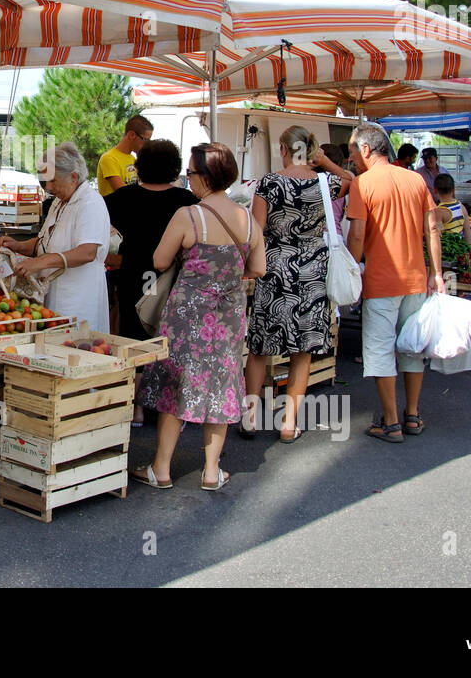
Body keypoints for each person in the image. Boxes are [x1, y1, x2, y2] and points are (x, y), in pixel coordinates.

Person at [131, 143, 267, 491]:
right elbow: (259, 269)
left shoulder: (188, 216)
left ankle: (161, 469)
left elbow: (160, 262)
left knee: (178, 386)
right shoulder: (248, 220)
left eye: (190, 172)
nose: (187, 178)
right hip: (229, 317)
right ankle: (210, 472)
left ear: (205, 176)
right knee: (219, 385)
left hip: (187, 317)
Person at [346, 122, 445, 443]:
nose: (351, 158)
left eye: (351, 150)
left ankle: (390, 422)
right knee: (412, 349)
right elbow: (432, 227)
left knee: (379, 351)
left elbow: (358, 234)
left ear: (365, 149)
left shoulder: (363, 184)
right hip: (416, 279)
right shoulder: (415, 180)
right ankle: (412, 415)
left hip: (380, 281)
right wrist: (437, 272)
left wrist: (350, 270)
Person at [244, 126, 342, 443]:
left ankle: (248, 418)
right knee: (303, 350)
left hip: (276, 265)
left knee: (260, 347)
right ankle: (288, 423)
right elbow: (352, 180)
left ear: (283, 148)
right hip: (313, 268)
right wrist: (324, 161)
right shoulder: (326, 184)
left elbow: (256, 232)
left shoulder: (271, 182)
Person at [104, 139, 197, 426]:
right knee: (172, 338)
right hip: (174, 278)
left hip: (133, 273)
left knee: (133, 336)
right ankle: (169, 402)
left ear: (139, 166)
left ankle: (136, 407)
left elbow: (107, 234)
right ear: (175, 168)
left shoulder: (121, 199)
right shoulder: (187, 201)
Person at [0, 143, 112, 332]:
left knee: (76, 346)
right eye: (45, 182)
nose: (49, 188)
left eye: (53, 181)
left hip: (78, 295)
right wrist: (17, 246)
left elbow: (87, 252)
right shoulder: (59, 201)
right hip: (54, 293)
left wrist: (39, 263)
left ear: (73, 177)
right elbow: (46, 242)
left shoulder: (90, 203)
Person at [97, 115, 153, 196]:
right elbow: (122, 193)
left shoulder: (133, 158)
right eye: (145, 140)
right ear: (131, 135)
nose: (147, 145)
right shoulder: (109, 158)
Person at [433, 173, 471, 246]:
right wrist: (469, 249)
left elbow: (439, 235)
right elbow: (467, 230)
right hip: (461, 249)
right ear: (454, 190)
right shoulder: (461, 207)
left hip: (448, 252)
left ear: (435, 190)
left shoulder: (439, 212)